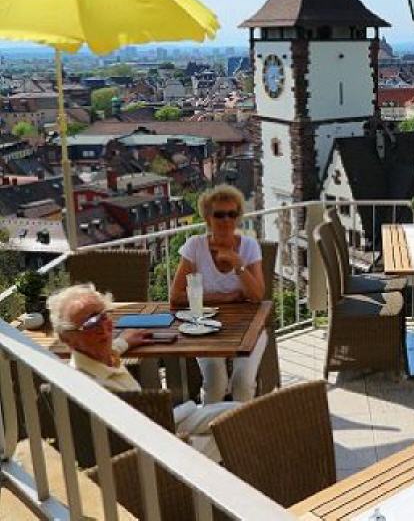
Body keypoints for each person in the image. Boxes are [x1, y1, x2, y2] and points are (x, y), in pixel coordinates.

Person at [48, 284, 237, 461]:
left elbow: (110, 350)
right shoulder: (93, 388)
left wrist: (125, 342)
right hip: (156, 452)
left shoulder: (98, 357)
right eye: (90, 324)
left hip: (157, 424)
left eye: (103, 316)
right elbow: (144, 438)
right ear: (68, 339)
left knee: (237, 411)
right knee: (233, 432)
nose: (103, 328)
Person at [171, 184, 266, 404]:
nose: (226, 220)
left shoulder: (249, 246)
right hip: (204, 326)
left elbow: (258, 296)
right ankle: (211, 425)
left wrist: (237, 263)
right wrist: (225, 298)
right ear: (207, 218)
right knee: (215, 383)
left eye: (232, 214)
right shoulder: (195, 247)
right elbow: (175, 297)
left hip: (247, 326)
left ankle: (241, 425)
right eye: (219, 214)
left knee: (243, 383)